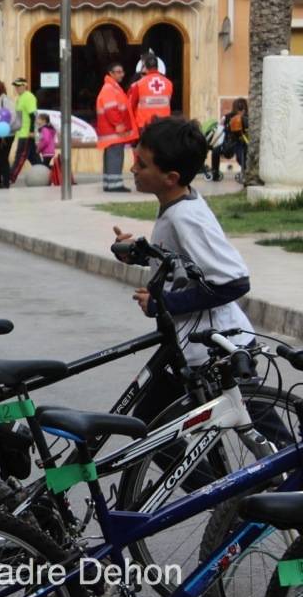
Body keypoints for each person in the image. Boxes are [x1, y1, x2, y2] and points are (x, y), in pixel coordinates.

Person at [113, 117, 254, 423]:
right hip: (187, 349)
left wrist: (163, 303)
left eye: (142, 164)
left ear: (170, 177)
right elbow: (183, 261)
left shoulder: (185, 217)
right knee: (150, 428)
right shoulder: (176, 203)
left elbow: (234, 282)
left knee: (264, 436)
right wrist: (139, 253)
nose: (133, 168)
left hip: (217, 351)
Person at [96, 62, 137, 192]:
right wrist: (119, 124)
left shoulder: (112, 87)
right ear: (111, 73)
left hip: (110, 130)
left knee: (111, 156)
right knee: (115, 156)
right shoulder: (110, 89)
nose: (122, 74)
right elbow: (111, 109)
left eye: (122, 72)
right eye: (118, 72)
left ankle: (109, 183)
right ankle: (115, 185)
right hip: (113, 131)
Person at [128, 51, 173, 135]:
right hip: (164, 124)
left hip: (145, 125)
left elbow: (131, 106)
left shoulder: (138, 84)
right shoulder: (168, 83)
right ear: (157, 66)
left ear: (145, 66)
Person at [8, 77, 41, 182]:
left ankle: (11, 177)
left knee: (20, 156)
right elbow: (19, 117)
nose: (16, 88)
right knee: (33, 157)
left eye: (18, 86)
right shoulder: (20, 98)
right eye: (15, 86)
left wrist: (31, 131)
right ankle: (47, 172)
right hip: (21, 132)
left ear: (24, 86)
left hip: (26, 134)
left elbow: (33, 116)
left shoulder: (29, 97)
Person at [212, 98, 249, 182]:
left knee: (240, 155)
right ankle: (215, 173)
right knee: (215, 150)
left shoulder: (247, 118)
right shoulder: (227, 117)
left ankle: (246, 172)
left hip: (241, 143)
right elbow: (220, 128)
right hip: (229, 142)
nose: (241, 110)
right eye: (239, 107)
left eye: (242, 107)